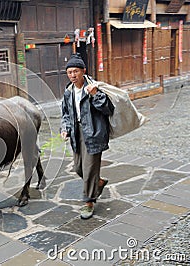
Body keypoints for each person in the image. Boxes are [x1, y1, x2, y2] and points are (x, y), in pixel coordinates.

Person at [60, 53, 114, 219]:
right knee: (78, 168)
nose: (73, 75)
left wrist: (95, 94)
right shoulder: (68, 92)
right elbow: (66, 114)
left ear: (83, 71)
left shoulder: (93, 87)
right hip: (77, 134)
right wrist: (65, 128)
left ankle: (89, 202)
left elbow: (108, 109)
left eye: (76, 71)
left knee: (89, 169)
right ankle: (98, 183)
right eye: (69, 72)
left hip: (94, 133)